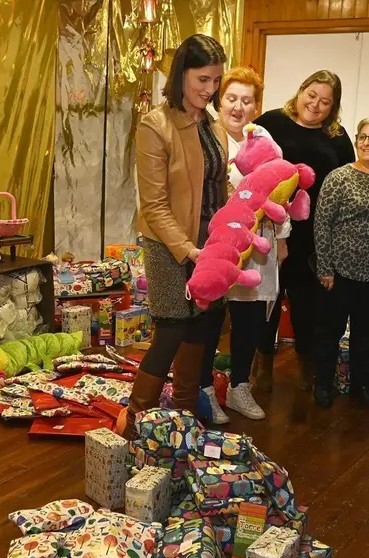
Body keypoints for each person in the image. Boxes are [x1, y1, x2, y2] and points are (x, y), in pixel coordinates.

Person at [119, 34, 227, 440]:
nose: (209, 89)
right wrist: (188, 250)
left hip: (210, 243)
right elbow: (155, 205)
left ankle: (184, 423)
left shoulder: (214, 124)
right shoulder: (155, 125)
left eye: (215, 80)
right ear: (181, 74)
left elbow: (220, 187)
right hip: (168, 245)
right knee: (172, 329)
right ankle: (134, 423)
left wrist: (225, 237)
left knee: (202, 327)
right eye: (202, 79)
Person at [254, 71, 355, 390]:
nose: (316, 104)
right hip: (268, 229)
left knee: (307, 307)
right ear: (300, 92)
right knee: (265, 304)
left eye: (325, 101)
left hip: (314, 237)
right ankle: (260, 372)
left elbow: (347, 184)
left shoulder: (337, 137)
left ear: (333, 108)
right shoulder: (271, 122)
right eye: (312, 95)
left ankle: (307, 378)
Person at [197, 67, 284, 423]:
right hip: (218, 242)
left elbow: (282, 184)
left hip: (259, 241)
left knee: (249, 320)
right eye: (232, 98)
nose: (238, 106)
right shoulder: (206, 136)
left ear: (255, 106)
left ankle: (240, 387)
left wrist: (282, 237)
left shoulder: (265, 140)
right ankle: (204, 390)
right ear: (221, 100)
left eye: (246, 100)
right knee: (212, 318)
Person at [312, 118, 369, 408]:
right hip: (340, 271)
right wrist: (325, 267)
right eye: (362, 136)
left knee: (366, 335)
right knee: (330, 332)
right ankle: (324, 384)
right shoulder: (339, 177)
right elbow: (321, 224)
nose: (365, 142)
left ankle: (361, 386)